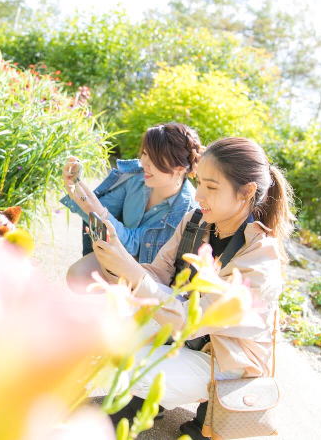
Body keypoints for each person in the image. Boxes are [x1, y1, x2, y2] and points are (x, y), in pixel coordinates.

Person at [90, 137, 295, 439]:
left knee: (130, 370)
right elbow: (157, 274)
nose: (198, 195)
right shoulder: (196, 222)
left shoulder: (261, 258)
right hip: (183, 336)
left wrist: (134, 275)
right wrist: (117, 264)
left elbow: (193, 323)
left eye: (212, 187)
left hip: (222, 361)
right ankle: (150, 398)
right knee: (103, 335)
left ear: (247, 192)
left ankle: (189, 404)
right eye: (199, 183)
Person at [61, 123, 201, 292]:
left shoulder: (186, 211)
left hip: (148, 275)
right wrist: (75, 187)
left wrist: (95, 209)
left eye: (154, 159)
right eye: (144, 153)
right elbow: (100, 211)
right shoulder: (136, 178)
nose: (143, 163)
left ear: (179, 170)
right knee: (78, 275)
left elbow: (134, 244)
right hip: (116, 255)